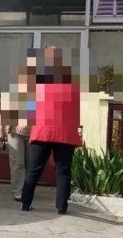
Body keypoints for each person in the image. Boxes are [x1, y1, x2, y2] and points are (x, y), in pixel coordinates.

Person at [19, 47, 83, 213]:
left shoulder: (38, 83)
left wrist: (25, 122)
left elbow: (31, 105)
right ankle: (62, 207)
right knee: (63, 171)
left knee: (34, 169)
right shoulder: (73, 85)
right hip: (65, 133)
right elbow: (76, 111)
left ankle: (25, 203)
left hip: (43, 131)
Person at [0, 65, 35, 202]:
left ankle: (28, 189)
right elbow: (4, 112)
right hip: (14, 132)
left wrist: (27, 123)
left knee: (31, 163)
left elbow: (39, 113)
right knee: (17, 162)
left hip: (32, 133)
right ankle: (18, 191)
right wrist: (0, 129)